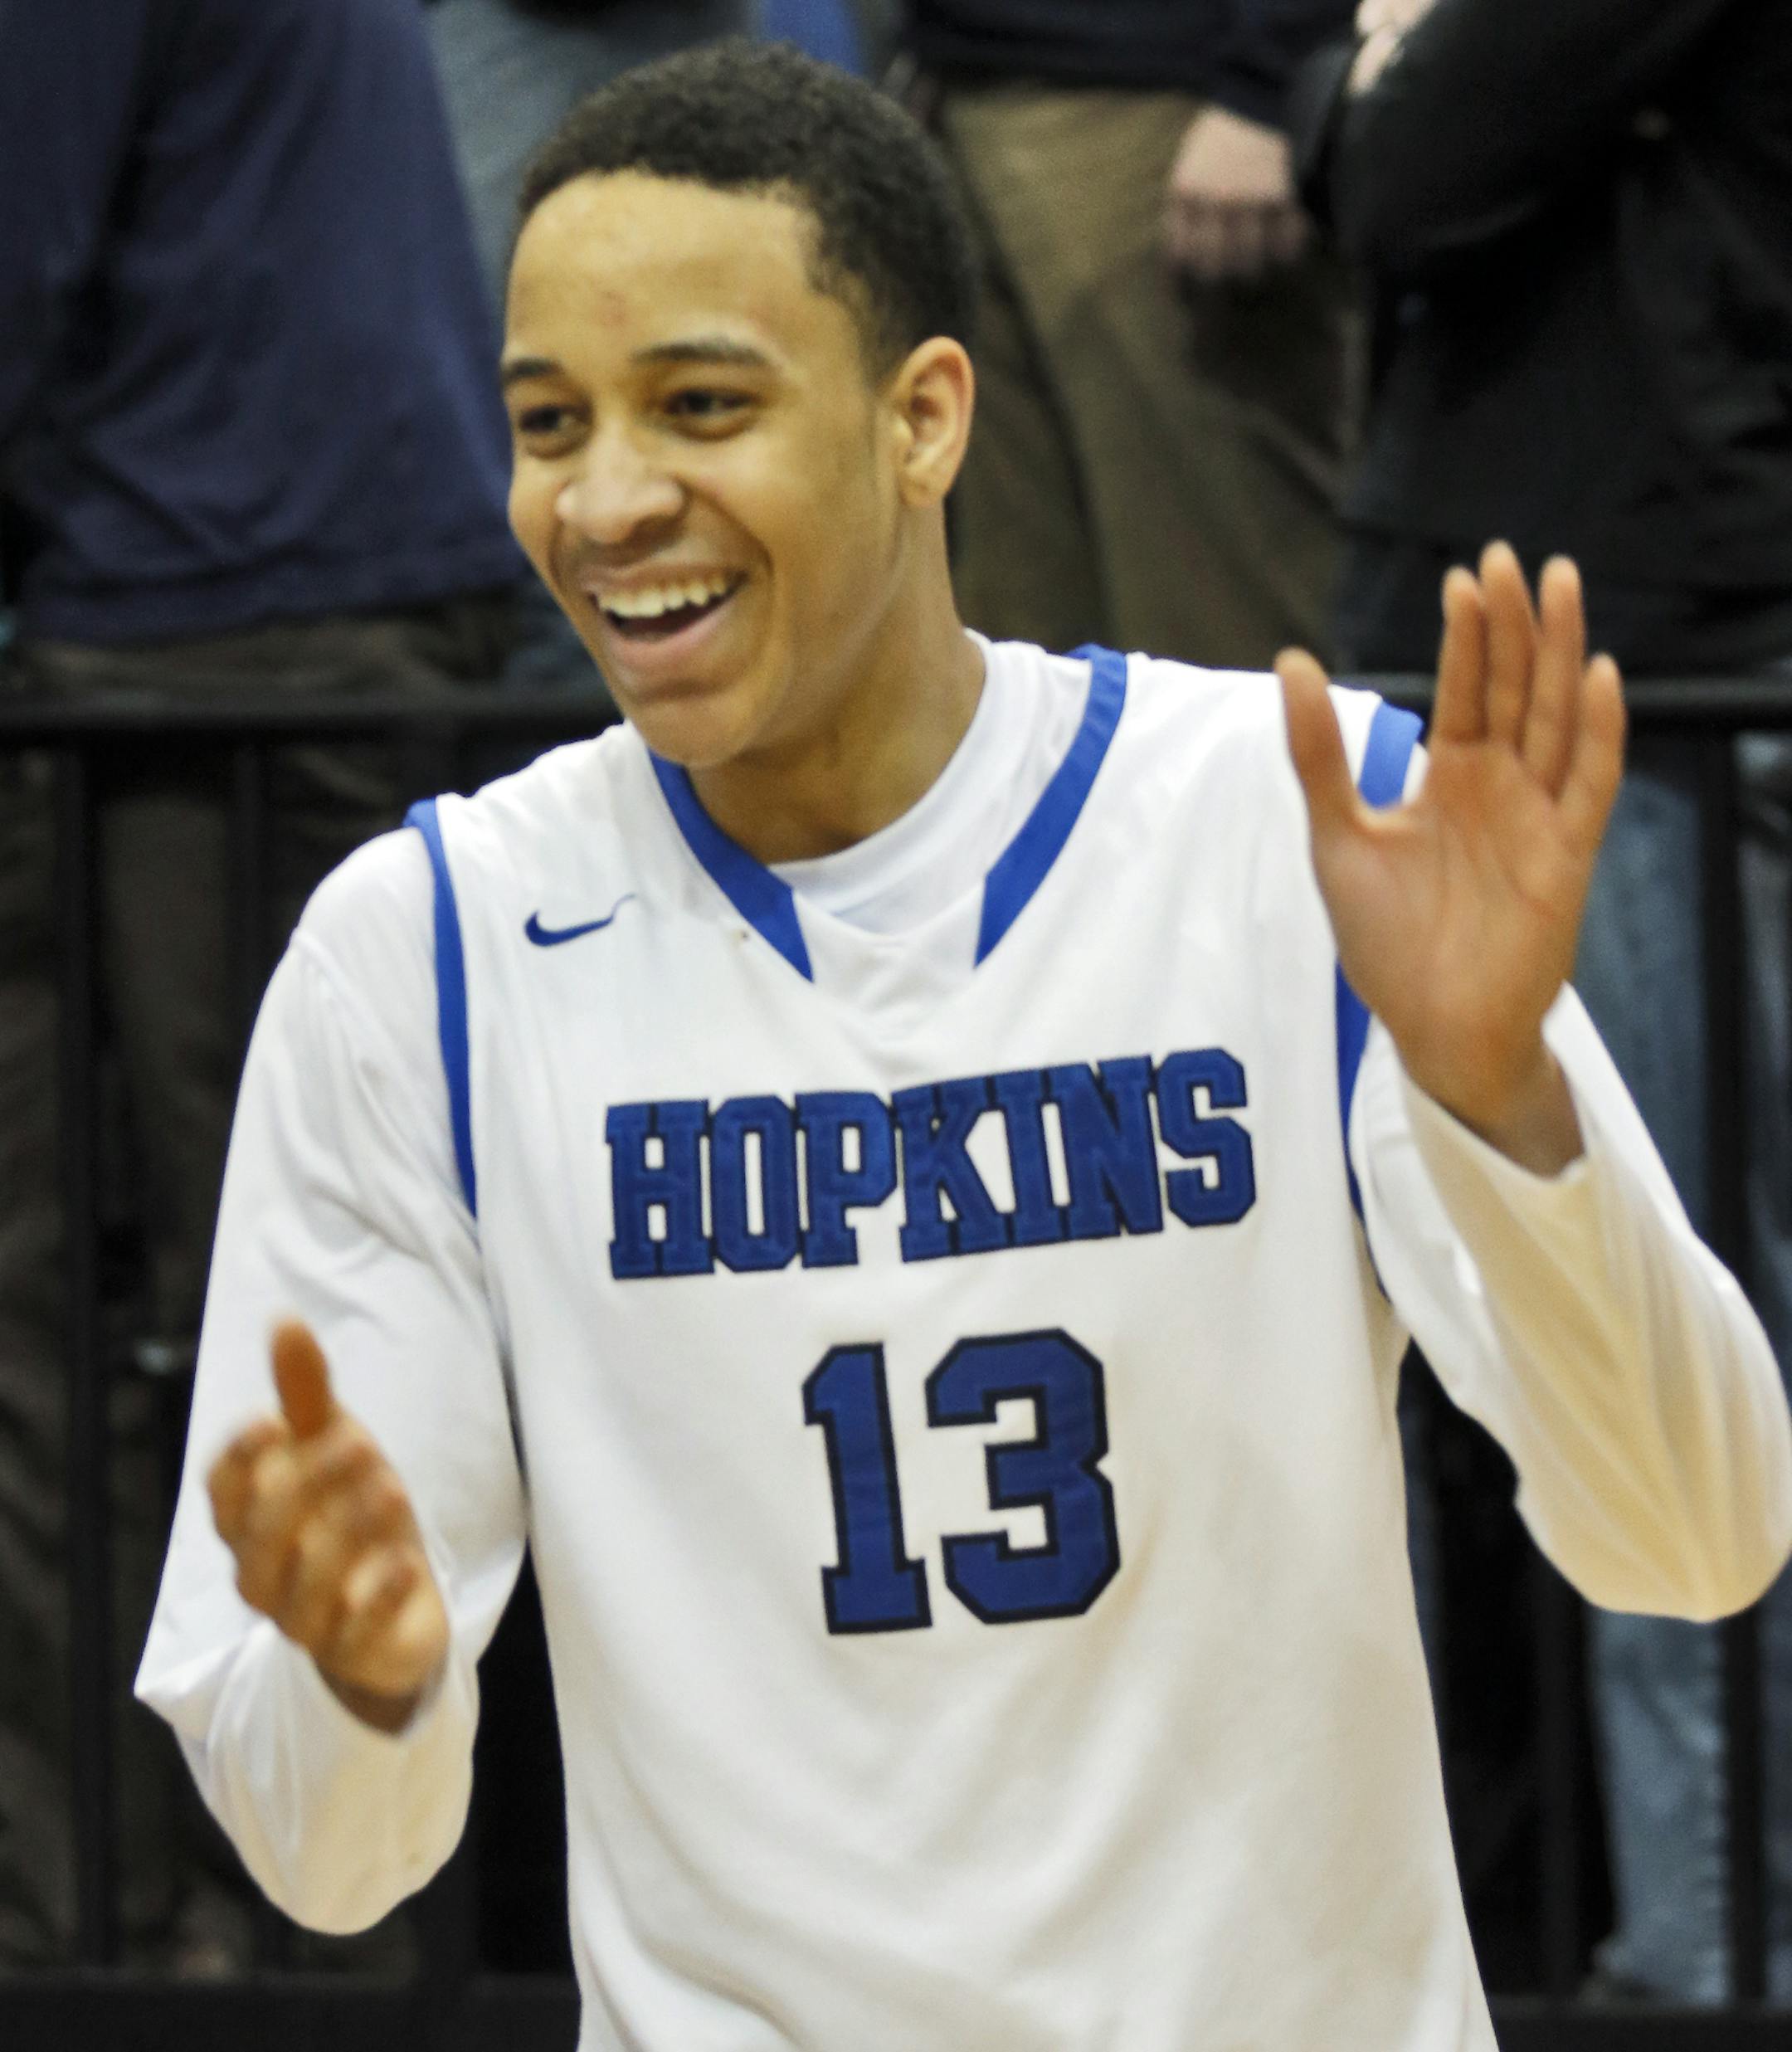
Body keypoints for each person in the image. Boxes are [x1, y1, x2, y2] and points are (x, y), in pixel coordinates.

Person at [137, 44, 1792, 2045]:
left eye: (699, 405)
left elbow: (1696, 1540)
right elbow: (330, 1856)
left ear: (922, 419)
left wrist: (1493, 1094)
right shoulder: (423, 954)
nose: (604, 499)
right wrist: (361, 1680)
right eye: (546, 421)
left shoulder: (1297, 828)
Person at [0, 0, 520, 1969]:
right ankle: (225, 1916)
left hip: (216, 627)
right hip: (298, 594)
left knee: (225, 1312)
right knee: (295, 1299)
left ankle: (158, 1933)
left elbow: (14, 259)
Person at [1290, 0, 1792, 2000]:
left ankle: (1707, 1950)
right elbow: (1395, 149)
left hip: (1649, 670)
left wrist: (1383, 79)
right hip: (1624, 646)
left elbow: (1405, 165)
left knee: (1646, 1327)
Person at [896, 0, 1360, 668]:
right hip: (969, 82)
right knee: (1018, 650)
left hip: (1167, 104)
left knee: (1218, 642)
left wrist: (1273, 79)